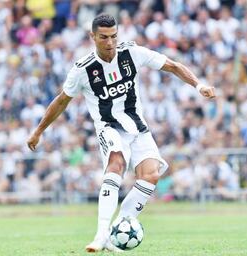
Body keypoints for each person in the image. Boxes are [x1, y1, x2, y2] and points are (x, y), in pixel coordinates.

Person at [27, 13, 215, 252]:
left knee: (151, 174)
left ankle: (117, 227)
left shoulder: (132, 53)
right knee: (116, 163)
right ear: (93, 37)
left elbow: (173, 66)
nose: (110, 42)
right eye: (104, 37)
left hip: (137, 126)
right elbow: (62, 101)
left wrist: (199, 85)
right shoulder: (83, 69)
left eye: (114, 36)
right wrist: (38, 131)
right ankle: (101, 233)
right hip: (109, 127)